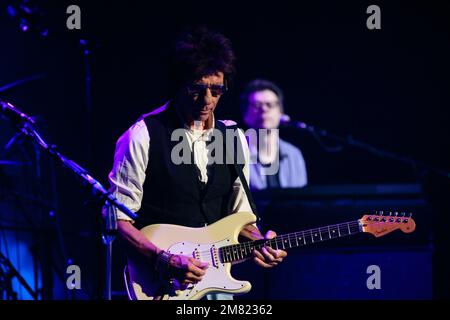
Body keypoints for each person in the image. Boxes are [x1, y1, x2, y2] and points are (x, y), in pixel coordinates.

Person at [102, 27, 286, 300]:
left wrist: (259, 242)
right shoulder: (142, 135)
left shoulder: (233, 137)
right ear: (178, 84)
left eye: (217, 89)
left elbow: (241, 216)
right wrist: (163, 259)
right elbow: (117, 220)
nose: (208, 100)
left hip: (218, 283)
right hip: (162, 285)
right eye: (196, 89)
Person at [240, 79, 308, 190]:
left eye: (270, 105)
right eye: (257, 105)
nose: (264, 109)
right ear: (245, 113)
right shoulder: (234, 154)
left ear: (280, 112)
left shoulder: (294, 154)